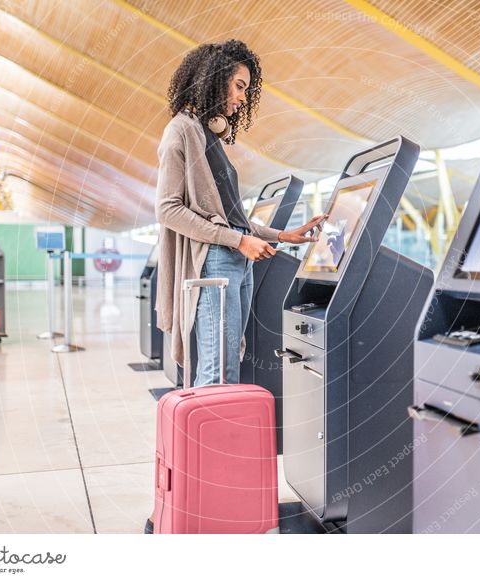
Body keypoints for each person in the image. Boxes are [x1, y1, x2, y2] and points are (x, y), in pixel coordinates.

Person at [146, 39, 325, 533]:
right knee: (216, 374)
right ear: (213, 78)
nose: (242, 98)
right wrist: (236, 242)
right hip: (215, 265)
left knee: (227, 366)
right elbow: (169, 209)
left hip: (233, 260)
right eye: (239, 85)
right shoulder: (180, 131)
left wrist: (281, 235)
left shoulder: (211, 140)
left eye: (248, 88)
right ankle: (210, 500)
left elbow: (236, 219)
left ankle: (214, 490)